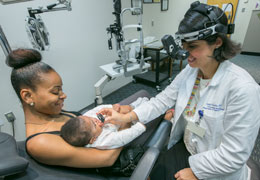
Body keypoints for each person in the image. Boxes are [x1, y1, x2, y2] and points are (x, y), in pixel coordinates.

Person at [99, 2, 260, 180]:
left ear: (217, 43)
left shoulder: (243, 89)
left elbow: (234, 155)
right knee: (151, 175)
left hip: (217, 166)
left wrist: (196, 171)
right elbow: (161, 101)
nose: (185, 53)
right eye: (184, 45)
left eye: (193, 46)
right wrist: (126, 117)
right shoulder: (190, 72)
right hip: (188, 146)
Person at [60, 104, 147, 149]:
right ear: (93, 139)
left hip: (117, 117)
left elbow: (96, 110)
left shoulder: (87, 120)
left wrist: (111, 107)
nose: (95, 119)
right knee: (144, 112)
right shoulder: (103, 141)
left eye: (89, 118)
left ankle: (140, 104)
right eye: (94, 124)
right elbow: (123, 137)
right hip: (131, 124)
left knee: (132, 106)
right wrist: (139, 127)